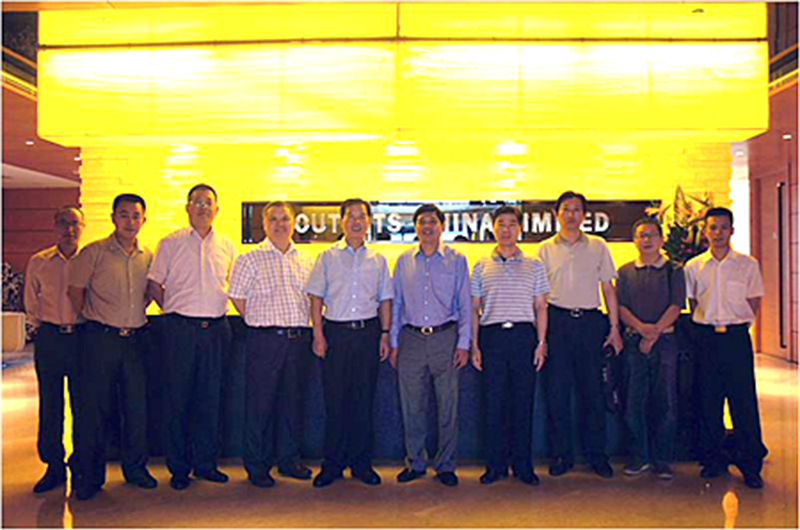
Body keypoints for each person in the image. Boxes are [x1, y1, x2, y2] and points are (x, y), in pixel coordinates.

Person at [147, 184, 235, 491]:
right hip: (179, 330)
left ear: (217, 209)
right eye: (197, 202)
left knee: (210, 400)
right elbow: (155, 285)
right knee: (178, 400)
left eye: (208, 202)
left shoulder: (227, 245)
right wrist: (175, 311)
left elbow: (231, 285)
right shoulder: (169, 243)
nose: (202, 207)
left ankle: (206, 464)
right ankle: (179, 468)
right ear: (187, 208)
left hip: (216, 331)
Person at [67, 193, 156, 500]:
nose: (130, 221)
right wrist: (96, 319)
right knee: (94, 410)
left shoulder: (148, 255)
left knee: (136, 408)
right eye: (124, 214)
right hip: (100, 339)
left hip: (135, 341)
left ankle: (135, 469)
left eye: (136, 215)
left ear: (144, 220)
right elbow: (75, 292)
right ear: (113, 218)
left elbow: (149, 293)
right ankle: (89, 477)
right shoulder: (94, 252)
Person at [305, 198, 393, 488]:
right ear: (341, 221)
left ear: (369, 222)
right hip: (336, 334)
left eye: (362, 216)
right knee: (335, 402)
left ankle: (361, 464)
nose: (356, 221)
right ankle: (332, 465)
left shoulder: (378, 260)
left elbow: (385, 300)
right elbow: (316, 298)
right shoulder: (327, 257)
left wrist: (385, 333)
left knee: (363, 402)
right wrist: (318, 334)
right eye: (351, 216)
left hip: (368, 334)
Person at [228, 201, 315, 488]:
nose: (280, 224)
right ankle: (257, 465)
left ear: (293, 223)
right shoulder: (249, 258)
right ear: (264, 225)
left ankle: (289, 461)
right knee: (260, 406)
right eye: (273, 219)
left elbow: (312, 299)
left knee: (293, 405)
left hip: (298, 341)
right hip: (264, 340)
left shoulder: (306, 259)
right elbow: (237, 297)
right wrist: (261, 321)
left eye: (284, 219)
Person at [537, 191, 623, 478]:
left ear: (584, 215)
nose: (571, 214)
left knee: (593, 393)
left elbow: (608, 289)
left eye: (576, 209)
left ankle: (597, 455)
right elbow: (539, 297)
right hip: (557, 323)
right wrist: (541, 338)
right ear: (556, 214)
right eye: (566, 209)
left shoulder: (598, 246)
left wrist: (614, 328)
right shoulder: (544, 249)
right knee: (557, 394)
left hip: (590, 324)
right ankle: (561, 455)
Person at [685, 207, 768, 489]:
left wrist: (736, 324)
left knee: (743, 402)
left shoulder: (747, 264)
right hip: (706, 338)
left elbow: (754, 302)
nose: (718, 233)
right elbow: (693, 303)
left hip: (735, 338)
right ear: (705, 231)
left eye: (723, 227)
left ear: (731, 230)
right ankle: (713, 460)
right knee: (708, 400)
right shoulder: (693, 266)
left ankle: (750, 465)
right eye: (712, 227)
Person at [390, 204, 471, 487]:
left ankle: (446, 464)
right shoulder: (403, 261)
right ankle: (415, 462)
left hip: (445, 337)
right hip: (410, 339)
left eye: (433, 222)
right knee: (411, 405)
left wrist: (464, 343)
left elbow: (465, 304)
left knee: (448, 405)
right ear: (415, 227)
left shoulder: (457, 260)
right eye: (422, 222)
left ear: (442, 226)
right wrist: (394, 342)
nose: (427, 226)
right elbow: (396, 303)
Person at [470, 205, 549, 486]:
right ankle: (495, 466)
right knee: (493, 405)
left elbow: (541, 306)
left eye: (512, 224)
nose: (506, 229)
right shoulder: (481, 265)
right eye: (501, 224)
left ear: (519, 229)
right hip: (491, 338)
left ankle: (523, 465)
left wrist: (541, 343)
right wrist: (475, 346)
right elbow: (474, 308)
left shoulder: (534, 265)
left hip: (524, 337)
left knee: (523, 403)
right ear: (493, 228)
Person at [617, 218, 685, 480]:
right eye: (641, 235)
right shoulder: (625, 272)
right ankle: (639, 457)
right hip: (634, 342)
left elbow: (676, 306)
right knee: (634, 402)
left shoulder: (674, 270)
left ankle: (663, 460)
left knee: (665, 402)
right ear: (634, 240)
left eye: (651, 235)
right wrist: (641, 329)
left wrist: (654, 332)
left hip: (665, 342)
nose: (646, 240)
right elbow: (621, 307)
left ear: (661, 239)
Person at [24, 206, 86, 493]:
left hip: (82, 338)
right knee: (51, 404)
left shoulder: (89, 259)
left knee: (83, 403)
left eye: (74, 223)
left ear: (82, 227)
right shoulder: (39, 261)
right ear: (54, 226)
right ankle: (53, 466)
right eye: (63, 223)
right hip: (50, 337)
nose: (69, 229)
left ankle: (82, 462)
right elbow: (31, 303)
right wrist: (44, 328)